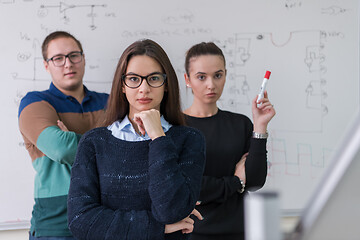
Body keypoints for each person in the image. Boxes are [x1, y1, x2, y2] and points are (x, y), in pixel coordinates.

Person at [67, 39, 206, 240]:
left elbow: (171, 211)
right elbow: (80, 220)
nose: (144, 88)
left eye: (154, 78)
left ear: (166, 85)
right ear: (122, 86)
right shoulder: (94, 142)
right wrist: (158, 227)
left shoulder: (189, 140)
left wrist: (158, 136)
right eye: (133, 79)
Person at [18, 31, 109, 239]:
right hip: (56, 223)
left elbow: (134, 151)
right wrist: (108, 143)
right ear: (46, 65)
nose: (68, 64)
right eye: (58, 58)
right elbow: (62, 149)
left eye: (73, 55)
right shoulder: (34, 102)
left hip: (105, 217)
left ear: (83, 58)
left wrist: (74, 138)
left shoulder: (110, 103)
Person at [183, 42, 276, 240]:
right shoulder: (177, 128)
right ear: (187, 80)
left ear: (225, 74)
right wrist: (235, 182)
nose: (211, 84)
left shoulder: (240, 124)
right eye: (201, 77)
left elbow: (255, 181)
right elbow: (189, 187)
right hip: (193, 233)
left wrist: (260, 126)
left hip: (242, 230)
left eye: (218, 75)